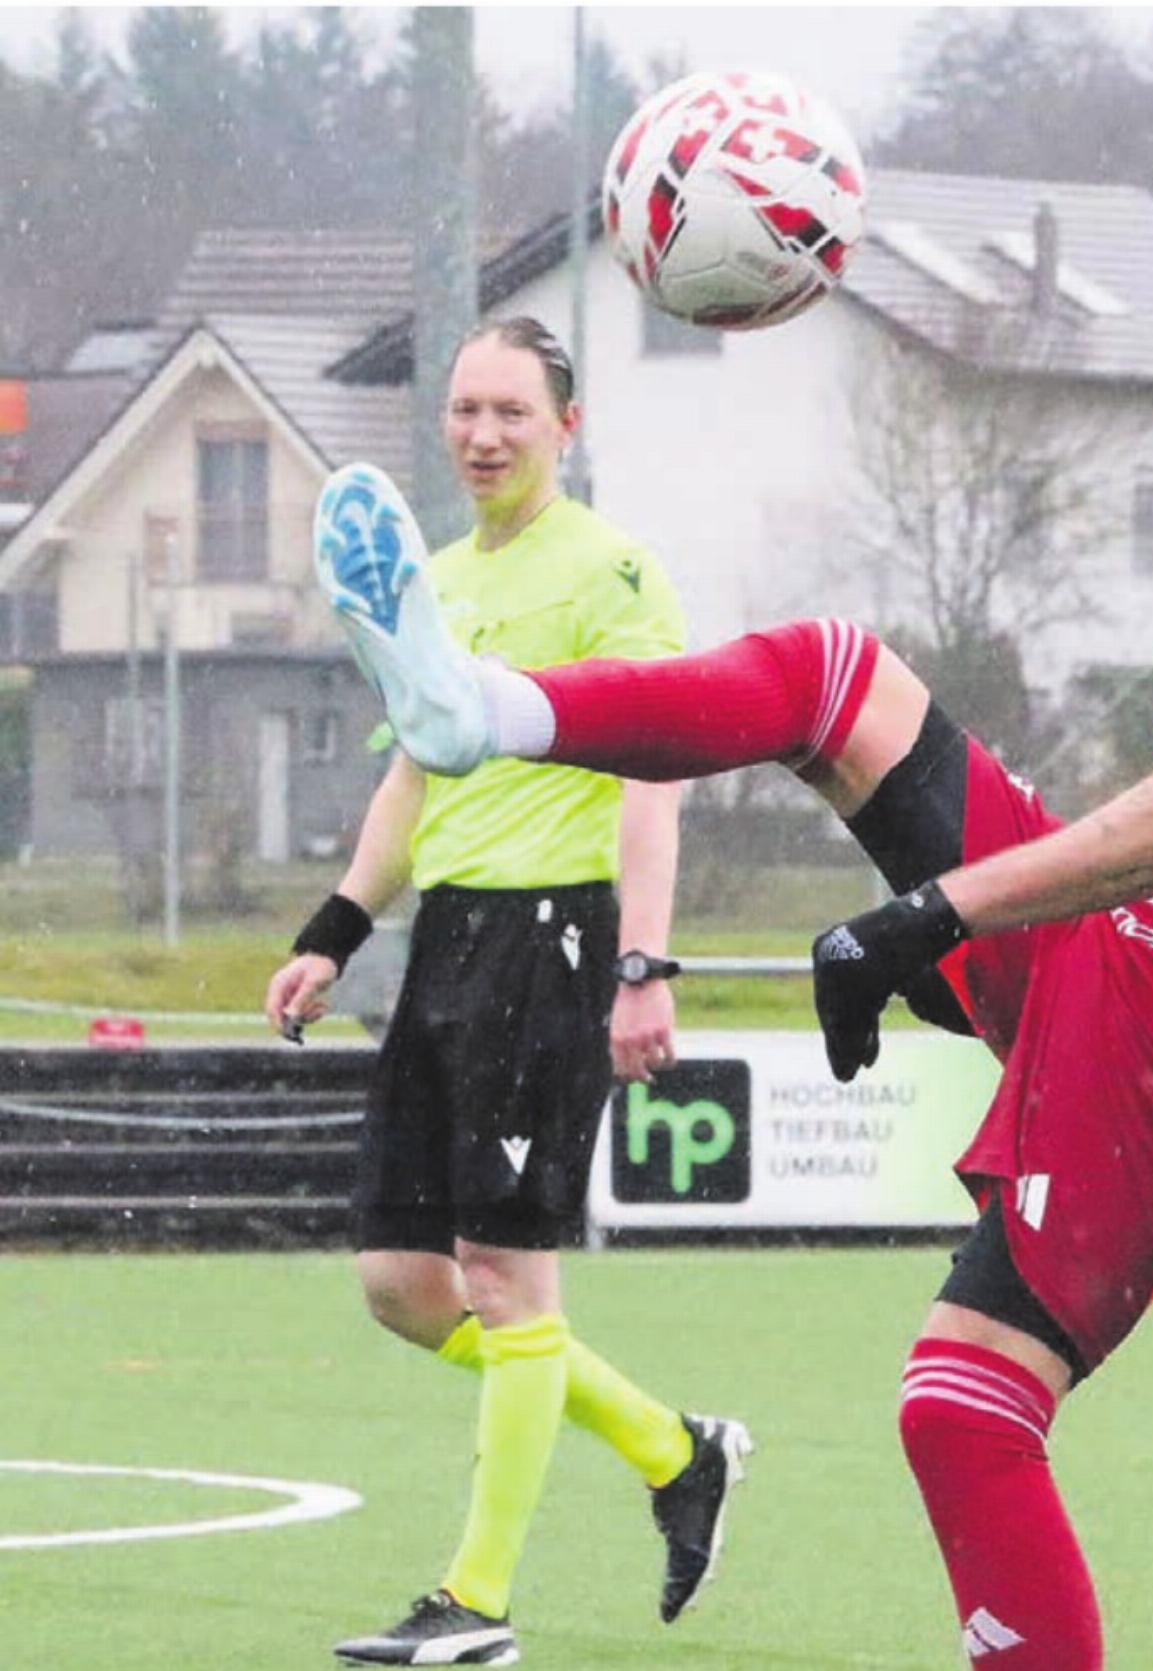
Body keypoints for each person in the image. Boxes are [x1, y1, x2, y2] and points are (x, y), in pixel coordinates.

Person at [311, 131, 1153, 1667]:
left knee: (961, 1408)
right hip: (1143, 962)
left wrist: (935, 912)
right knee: (834, 681)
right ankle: (477, 709)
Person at [266, 316, 749, 1669]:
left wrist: (645, 966)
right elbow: (413, 775)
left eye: (512, 414)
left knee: (503, 1278)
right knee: (403, 1286)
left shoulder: (617, 573)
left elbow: (660, 767)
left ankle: (475, 1606)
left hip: (556, 943)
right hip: (447, 947)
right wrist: (335, 927)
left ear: (564, 428)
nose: (483, 435)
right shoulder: (435, 580)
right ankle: (674, 1447)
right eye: (466, 411)